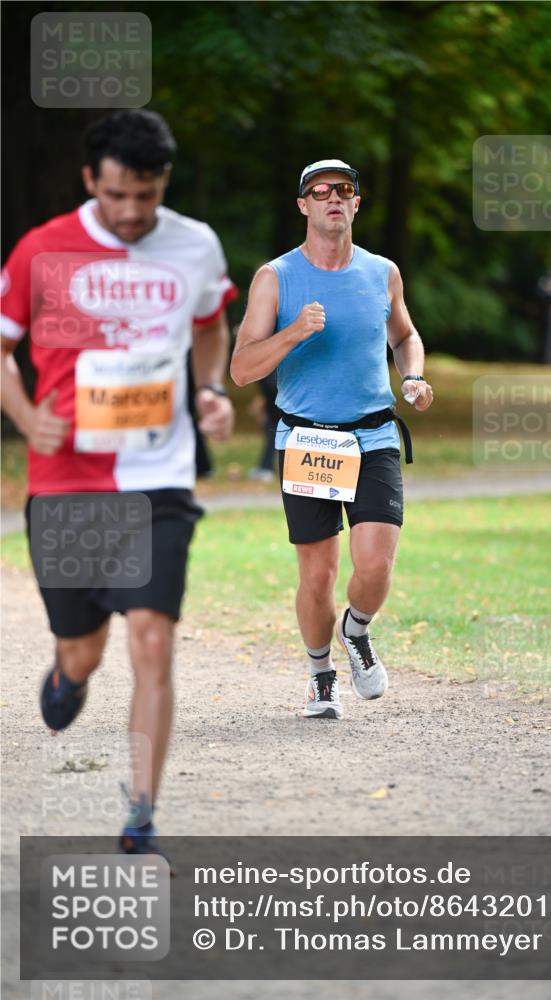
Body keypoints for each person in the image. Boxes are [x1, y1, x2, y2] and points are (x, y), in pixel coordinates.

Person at [0, 110, 237, 851]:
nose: (132, 212)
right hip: (67, 482)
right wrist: (22, 414)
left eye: (147, 194)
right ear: (89, 182)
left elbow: (209, 324)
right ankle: (70, 676)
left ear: (163, 181)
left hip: (159, 476)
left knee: (153, 640)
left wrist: (213, 391)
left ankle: (140, 816)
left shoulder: (194, 244)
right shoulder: (42, 251)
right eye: (116, 197)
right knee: (85, 650)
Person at [231, 158, 433, 720]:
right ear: (303, 206)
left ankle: (357, 631)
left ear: (357, 203)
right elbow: (242, 368)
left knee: (375, 565)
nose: (332, 199)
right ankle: (321, 676)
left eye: (343, 190)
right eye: (319, 192)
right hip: (308, 441)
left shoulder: (382, 272)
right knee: (317, 574)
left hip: (374, 434)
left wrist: (412, 375)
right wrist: (294, 332)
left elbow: (406, 335)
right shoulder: (276, 277)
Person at [248, 369, 280, 481]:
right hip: (271, 380)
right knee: (273, 426)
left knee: (275, 426)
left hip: (274, 380)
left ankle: (267, 467)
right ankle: (267, 466)